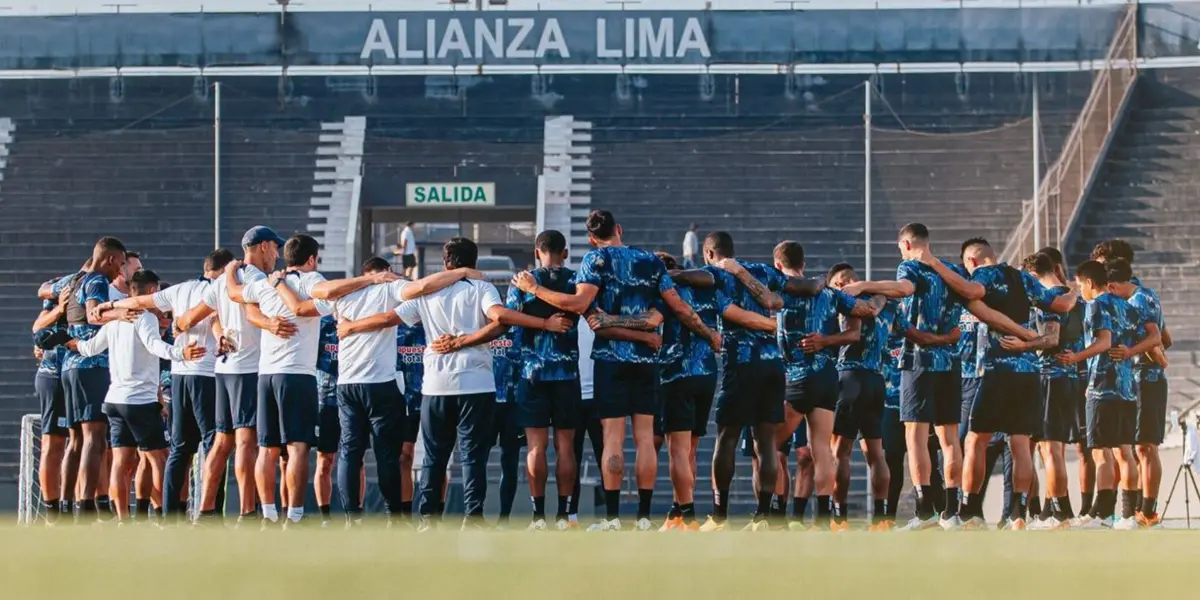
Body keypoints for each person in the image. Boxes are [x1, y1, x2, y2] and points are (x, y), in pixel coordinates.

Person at [341, 237, 570, 530]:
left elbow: (389, 318)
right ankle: (472, 518)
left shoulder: (428, 293)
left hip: (435, 386)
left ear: (445, 264)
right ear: (473, 263)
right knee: (473, 456)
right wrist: (544, 324)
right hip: (476, 384)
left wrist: (351, 326)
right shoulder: (482, 288)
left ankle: (427, 520)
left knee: (434, 457)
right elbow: (500, 318)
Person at [511, 211, 718, 531]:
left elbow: (580, 306)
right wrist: (710, 334)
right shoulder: (650, 261)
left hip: (609, 360)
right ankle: (645, 516)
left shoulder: (595, 259)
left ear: (592, 238)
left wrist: (534, 289)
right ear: (619, 229)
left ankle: (611, 517)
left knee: (613, 440)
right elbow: (678, 307)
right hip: (646, 363)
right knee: (646, 440)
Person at [226, 234, 399, 527]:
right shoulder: (307, 281)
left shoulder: (266, 284)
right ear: (311, 260)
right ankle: (293, 516)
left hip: (265, 374)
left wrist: (232, 268)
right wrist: (369, 280)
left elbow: (235, 294)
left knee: (266, 449)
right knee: (297, 448)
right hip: (296, 375)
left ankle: (267, 514)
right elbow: (325, 292)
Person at [918, 237, 1076, 529]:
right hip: (1028, 372)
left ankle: (969, 512)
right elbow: (1061, 304)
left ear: (972, 262)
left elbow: (971, 290)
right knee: (1020, 444)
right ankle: (1018, 514)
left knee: (975, 440)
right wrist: (1076, 288)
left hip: (998, 370)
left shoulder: (984, 275)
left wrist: (934, 263)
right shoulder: (1022, 278)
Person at [839, 224, 969, 530]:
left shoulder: (910, 266)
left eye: (900, 248)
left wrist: (862, 285)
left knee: (916, 438)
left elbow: (904, 289)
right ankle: (952, 512)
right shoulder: (951, 271)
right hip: (950, 364)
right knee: (949, 439)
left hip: (919, 363)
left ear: (908, 244)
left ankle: (925, 513)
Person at [104, 249, 234, 523]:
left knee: (179, 448)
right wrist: (221, 337)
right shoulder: (220, 289)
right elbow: (213, 321)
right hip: (206, 373)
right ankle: (210, 511)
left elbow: (141, 299)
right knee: (216, 445)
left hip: (178, 377)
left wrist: (107, 308)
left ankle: (169, 515)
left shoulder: (178, 290)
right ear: (223, 270)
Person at [68, 269, 205, 524]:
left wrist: (68, 343)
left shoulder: (115, 320)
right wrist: (180, 353)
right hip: (140, 401)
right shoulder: (145, 318)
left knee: (121, 461)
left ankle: (123, 520)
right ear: (153, 292)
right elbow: (155, 346)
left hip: (115, 400)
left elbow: (88, 348)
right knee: (161, 458)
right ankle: (169, 515)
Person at [173, 226, 287, 523]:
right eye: (275, 248)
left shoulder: (224, 279)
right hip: (248, 369)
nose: (277, 254)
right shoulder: (255, 278)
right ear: (263, 246)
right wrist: (271, 325)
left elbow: (189, 318)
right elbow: (253, 314)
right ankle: (248, 512)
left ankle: (206, 510)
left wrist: (187, 327)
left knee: (222, 442)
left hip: (223, 370)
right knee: (246, 442)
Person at [771, 246, 877, 531]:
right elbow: (860, 322)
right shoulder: (831, 295)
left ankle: (775, 517)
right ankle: (820, 520)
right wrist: (865, 292)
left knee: (768, 446)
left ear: (777, 264)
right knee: (821, 450)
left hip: (796, 378)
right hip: (827, 379)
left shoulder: (779, 290)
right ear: (803, 263)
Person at [505, 231, 582, 531]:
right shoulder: (576, 282)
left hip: (532, 373)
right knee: (566, 448)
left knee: (536, 447)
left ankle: (538, 517)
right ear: (564, 252)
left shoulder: (522, 283)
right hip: (567, 374)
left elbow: (508, 320)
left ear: (537, 252)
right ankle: (564, 516)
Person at [1009, 252, 1086, 529]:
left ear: (1032, 275)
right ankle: (1055, 510)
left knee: (1049, 449)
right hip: (1069, 379)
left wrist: (1023, 345)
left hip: (1049, 376)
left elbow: (1050, 339)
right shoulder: (1073, 297)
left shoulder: (1049, 299)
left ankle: (1058, 513)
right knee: (1051, 448)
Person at [1066, 260, 1140, 529]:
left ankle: (1104, 515)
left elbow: (1104, 342)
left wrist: (1077, 357)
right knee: (1125, 452)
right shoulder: (1125, 304)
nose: (1080, 291)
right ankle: (1129, 515)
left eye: (1079, 285)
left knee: (1101, 452)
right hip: (1127, 387)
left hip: (1102, 386)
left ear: (1088, 282)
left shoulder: (1096, 305)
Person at [60, 237, 127, 522]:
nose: (120, 272)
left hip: (69, 366)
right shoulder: (98, 281)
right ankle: (85, 506)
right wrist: (126, 312)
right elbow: (93, 314)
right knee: (94, 438)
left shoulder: (75, 280)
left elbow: (47, 293)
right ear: (110, 259)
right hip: (92, 365)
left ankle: (65, 505)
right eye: (120, 264)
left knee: (75, 440)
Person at [827, 263, 895, 530]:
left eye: (845, 281)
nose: (844, 286)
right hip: (876, 380)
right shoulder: (881, 305)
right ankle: (881, 519)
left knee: (840, 452)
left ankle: (839, 518)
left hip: (850, 377)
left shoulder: (842, 304)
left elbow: (848, 336)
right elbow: (911, 333)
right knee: (875, 453)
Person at [1104, 258, 1168, 527]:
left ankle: (1148, 511)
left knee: (1145, 446)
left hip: (1148, 380)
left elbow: (1157, 338)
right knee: (1135, 446)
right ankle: (1139, 509)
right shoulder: (1145, 297)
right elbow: (1167, 339)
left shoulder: (1140, 300)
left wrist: (1131, 351)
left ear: (1113, 285)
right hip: (1134, 380)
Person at [568, 320, 600, 529]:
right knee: (571, 458)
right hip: (571, 396)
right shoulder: (568, 318)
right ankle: (571, 516)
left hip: (599, 397)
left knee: (605, 454)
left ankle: (610, 516)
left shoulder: (599, 316)